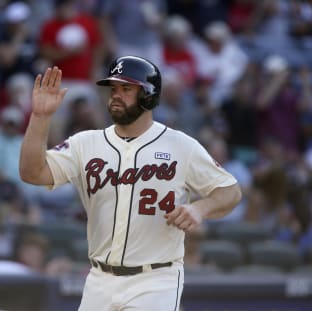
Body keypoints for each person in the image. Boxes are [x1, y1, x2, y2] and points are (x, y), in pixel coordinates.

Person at [19, 56, 242, 310]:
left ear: (148, 96)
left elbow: (230, 191)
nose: (116, 95)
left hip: (155, 279)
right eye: (113, 89)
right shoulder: (85, 143)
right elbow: (32, 173)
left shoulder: (181, 146)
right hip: (99, 279)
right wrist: (39, 117)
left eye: (126, 89)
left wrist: (199, 209)